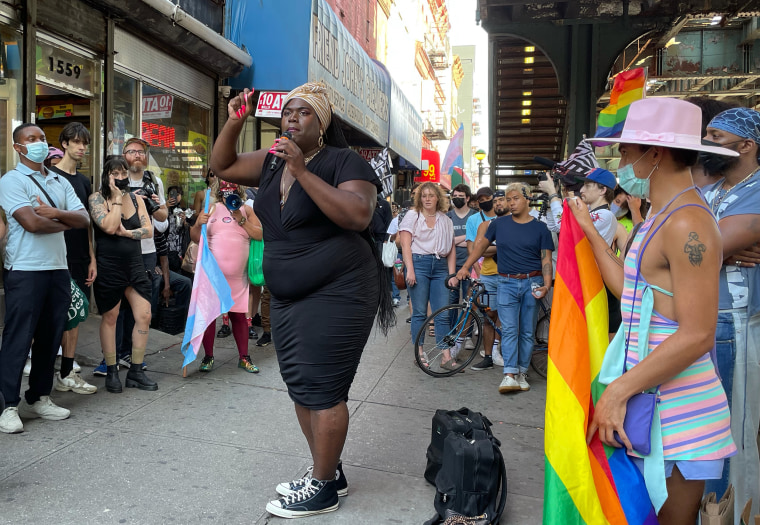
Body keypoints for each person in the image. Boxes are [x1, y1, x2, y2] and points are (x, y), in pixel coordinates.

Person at [210, 81, 392, 518]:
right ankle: (327, 471)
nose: (291, 118)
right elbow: (225, 165)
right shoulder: (273, 162)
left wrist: (304, 172)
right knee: (301, 385)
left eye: (303, 113)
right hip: (289, 296)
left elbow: (357, 214)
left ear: (322, 124)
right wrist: (235, 121)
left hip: (341, 291)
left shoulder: (343, 161)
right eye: (287, 112)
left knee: (325, 388)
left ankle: (323, 489)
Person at [575, 97, 737, 523]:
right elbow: (632, 291)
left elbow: (698, 332)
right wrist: (591, 234)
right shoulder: (661, 216)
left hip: (679, 416)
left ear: (655, 153)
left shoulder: (687, 222)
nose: (621, 160)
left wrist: (617, 390)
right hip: (652, 404)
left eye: (626, 151)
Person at [0, 123, 90, 434]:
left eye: (41, 138)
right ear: (18, 147)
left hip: (57, 268)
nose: (39, 143)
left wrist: (55, 214)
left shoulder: (57, 180)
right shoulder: (11, 181)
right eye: (31, 139)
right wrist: (64, 219)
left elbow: (85, 217)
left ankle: (38, 396)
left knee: (51, 336)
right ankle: (7, 405)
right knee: (18, 337)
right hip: (25, 268)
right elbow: (30, 223)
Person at [701, 107, 760, 520]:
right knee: (706, 428)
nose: (706, 144)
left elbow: (697, 251)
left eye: (715, 137)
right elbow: (656, 245)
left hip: (736, 322)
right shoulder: (711, 190)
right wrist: (719, 249)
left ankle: (730, 514)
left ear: (747, 146)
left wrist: (714, 249)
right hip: (701, 317)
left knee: (732, 431)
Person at [457, 183, 553, 393]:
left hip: (533, 283)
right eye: (508, 199)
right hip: (506, 282)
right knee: (509, 329)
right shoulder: (498, 225)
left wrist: (547, 285)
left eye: (515, 198)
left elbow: (546, 259)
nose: (511, 202)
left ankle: (522, 372)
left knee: (527, 332)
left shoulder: (540, 228)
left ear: (527, 199)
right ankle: (509, 374)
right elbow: (480, 247)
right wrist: (465, 267)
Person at [88, 157, 158, 393]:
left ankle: (136, 370)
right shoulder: (96, 199)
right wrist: (117, 200)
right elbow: (107, 226)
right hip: (109, 266)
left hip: (135, 264)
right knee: (111, 317)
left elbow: (148, 231)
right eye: (115, 172)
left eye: (123, 172)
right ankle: (111, 370)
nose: (120, 177)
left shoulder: (137, 199)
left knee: (144, 315)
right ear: (107, 175)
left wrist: (128, 234)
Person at [189, 179, 262, 373]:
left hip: (238, 278)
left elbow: (260, 235)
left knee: (239, 315)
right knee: (210, 317)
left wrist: (241, 219)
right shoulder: (210, 208)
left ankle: (244, 357)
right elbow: (196, 237)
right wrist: (197, 224)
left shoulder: (247, 209)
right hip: (212, 275)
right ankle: (208, 356)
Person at [47, 122, 98, 394]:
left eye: (85, 143)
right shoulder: (48, 176)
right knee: (56, 314)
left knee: (77, 315)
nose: (81, 147)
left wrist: (92, 257)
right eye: (76, 142)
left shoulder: (84, 181)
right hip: (54, 256)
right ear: (64, 143)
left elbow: (87, 223)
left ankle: (67, 371)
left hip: (79, 255)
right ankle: (47, 369)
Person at [398, 182, 458, 370]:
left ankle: (446, 357)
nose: (427, 199)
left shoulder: (445, 220)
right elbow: (405, 245)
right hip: (419, 263)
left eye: (431, 195)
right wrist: (411, 270)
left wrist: (452, 274)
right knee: (420, 313)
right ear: (419, 198)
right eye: (424, 196)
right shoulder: (412, 216)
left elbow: (451, 248)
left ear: (438, 198)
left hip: (440, 265)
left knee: (442, 313)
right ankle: (419, 353)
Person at [464, 187, 502, 370]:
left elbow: (484, 248)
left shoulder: (514, 223)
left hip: (509, 275)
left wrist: (491, 247)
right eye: (495, 202)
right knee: (488, 315)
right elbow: (478, 249)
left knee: (505, 317)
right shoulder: (484, 225)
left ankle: (499, 353)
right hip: (487, 274)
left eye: (497, 200)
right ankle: (488, 356)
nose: (497, 204)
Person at [447, 184, 476, 344]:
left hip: (471, 265)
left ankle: (468, 335)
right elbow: (446, 241)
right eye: (455, 196)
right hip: (451, 265)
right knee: (451, 302)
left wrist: (455, 240)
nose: (457, 198)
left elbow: (478, 240)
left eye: (460, 196)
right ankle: (452, 333)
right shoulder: (447, 216)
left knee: (468, 302)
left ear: (468, 198)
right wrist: (467, 238)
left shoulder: (475, 215)